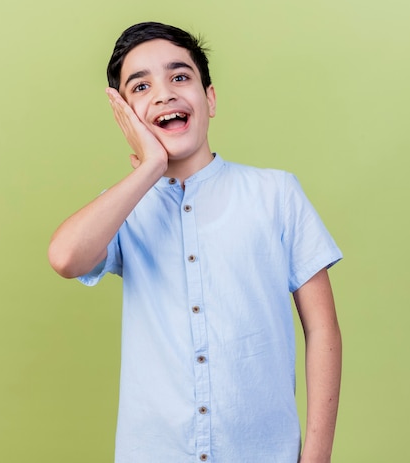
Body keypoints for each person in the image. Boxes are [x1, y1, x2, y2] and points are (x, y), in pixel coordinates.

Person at [48, 21, 343, 463]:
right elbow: (65, 257)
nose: (164, 94)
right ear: (125, 115)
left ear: (210, 99)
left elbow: (322, 330)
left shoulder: (275, 194)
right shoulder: (124, 210)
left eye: (180, 77)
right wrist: (150, 168)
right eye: (141, 87)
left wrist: (316, 457)